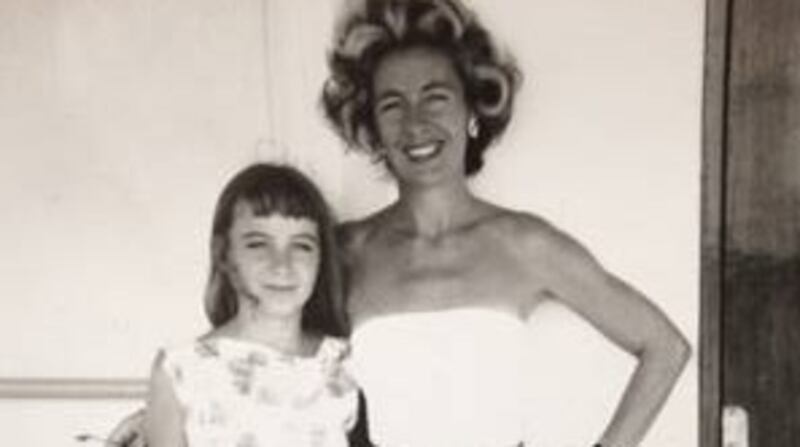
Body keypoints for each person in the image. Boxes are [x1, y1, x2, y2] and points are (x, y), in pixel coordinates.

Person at [108, 0, 691, 446]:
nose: (415, 123)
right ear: (372, 130)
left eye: (435, 97)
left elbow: (664, 346)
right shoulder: (344, 252)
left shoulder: (526, 244)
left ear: (471, 111)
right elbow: (265, 348)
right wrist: (164, 413)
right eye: (392, 105)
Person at [142, 163, 362, 447]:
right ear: (224, 255)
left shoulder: (347, 364)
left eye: (302, 245)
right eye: (258, 244)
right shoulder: (182, 370)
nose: (282, 265)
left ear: (321, 259)